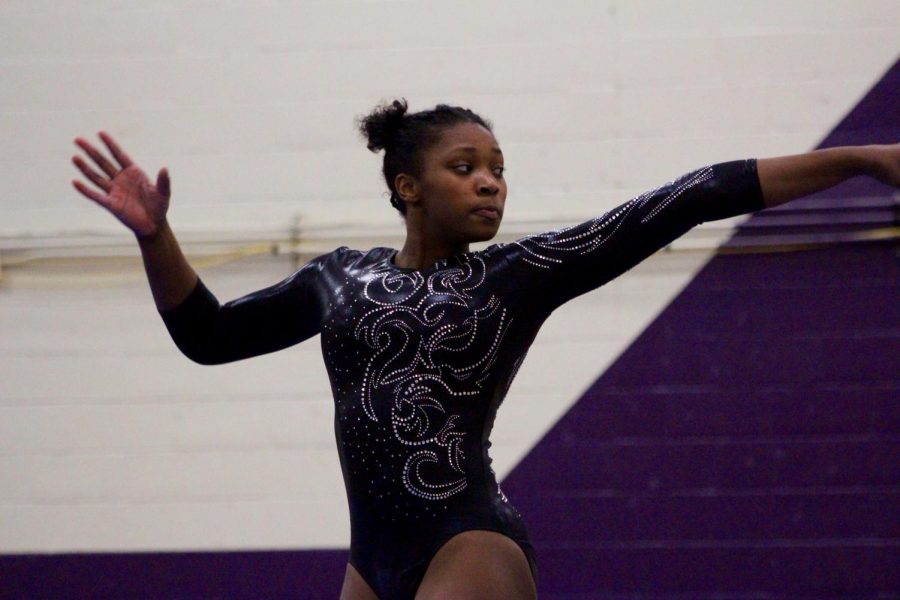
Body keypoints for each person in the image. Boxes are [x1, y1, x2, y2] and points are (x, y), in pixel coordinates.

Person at [71, 99, 900, 599]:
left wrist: (860, 157)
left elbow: (685, 199)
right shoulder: (337, 279)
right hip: (372, 564)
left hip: (467, 543)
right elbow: (209, 339)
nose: (491, 181)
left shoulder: (520, 274)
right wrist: (156, 237)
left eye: (499, 168)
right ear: (407, 186)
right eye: (465, 167)